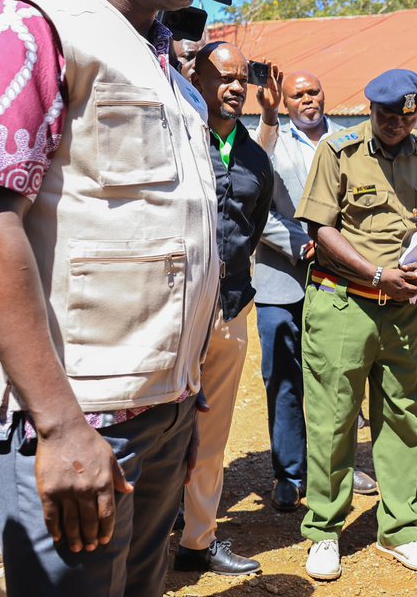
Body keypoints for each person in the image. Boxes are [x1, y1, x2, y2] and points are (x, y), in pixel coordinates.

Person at [0, 0, 219, 596]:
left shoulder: (166, 66)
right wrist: (61, 427)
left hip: (159, 412)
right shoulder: (26, 27)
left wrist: (183, 401)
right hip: (77, 420)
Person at [294, 68, 417, 580]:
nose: (394, 127)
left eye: (404, 119)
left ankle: (400, 530)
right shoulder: (337, 153)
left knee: (403, 418)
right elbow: (322, 229)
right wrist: (378, 273)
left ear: (416, 115)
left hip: (404, 310)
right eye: (385, 117)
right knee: (333, 420)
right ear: (370, 110)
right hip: (344, 305)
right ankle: (324, 530)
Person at [253, 69, 379, 512]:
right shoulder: (268, 140)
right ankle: (289, 474)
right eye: (298, 95)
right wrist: (300, 244)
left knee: (338, 377)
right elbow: (255, 203)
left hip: (342, 277)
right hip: (281, 278)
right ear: (284, 103)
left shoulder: (354, 141)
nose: (308, 100)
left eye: (314, 91)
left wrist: (342, 252)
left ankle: (339, 467)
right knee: (283, 379)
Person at [174, 41, 273, 576]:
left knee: (212, 435)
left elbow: (251, 230)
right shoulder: (178, 137)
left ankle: (197, 540)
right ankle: (138, 539)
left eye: (242, 79)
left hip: (232, 307)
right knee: (157, 425)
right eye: (223, 76)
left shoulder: (256, 156)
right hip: (174, 310)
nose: (235, 87)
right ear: (197, 76)